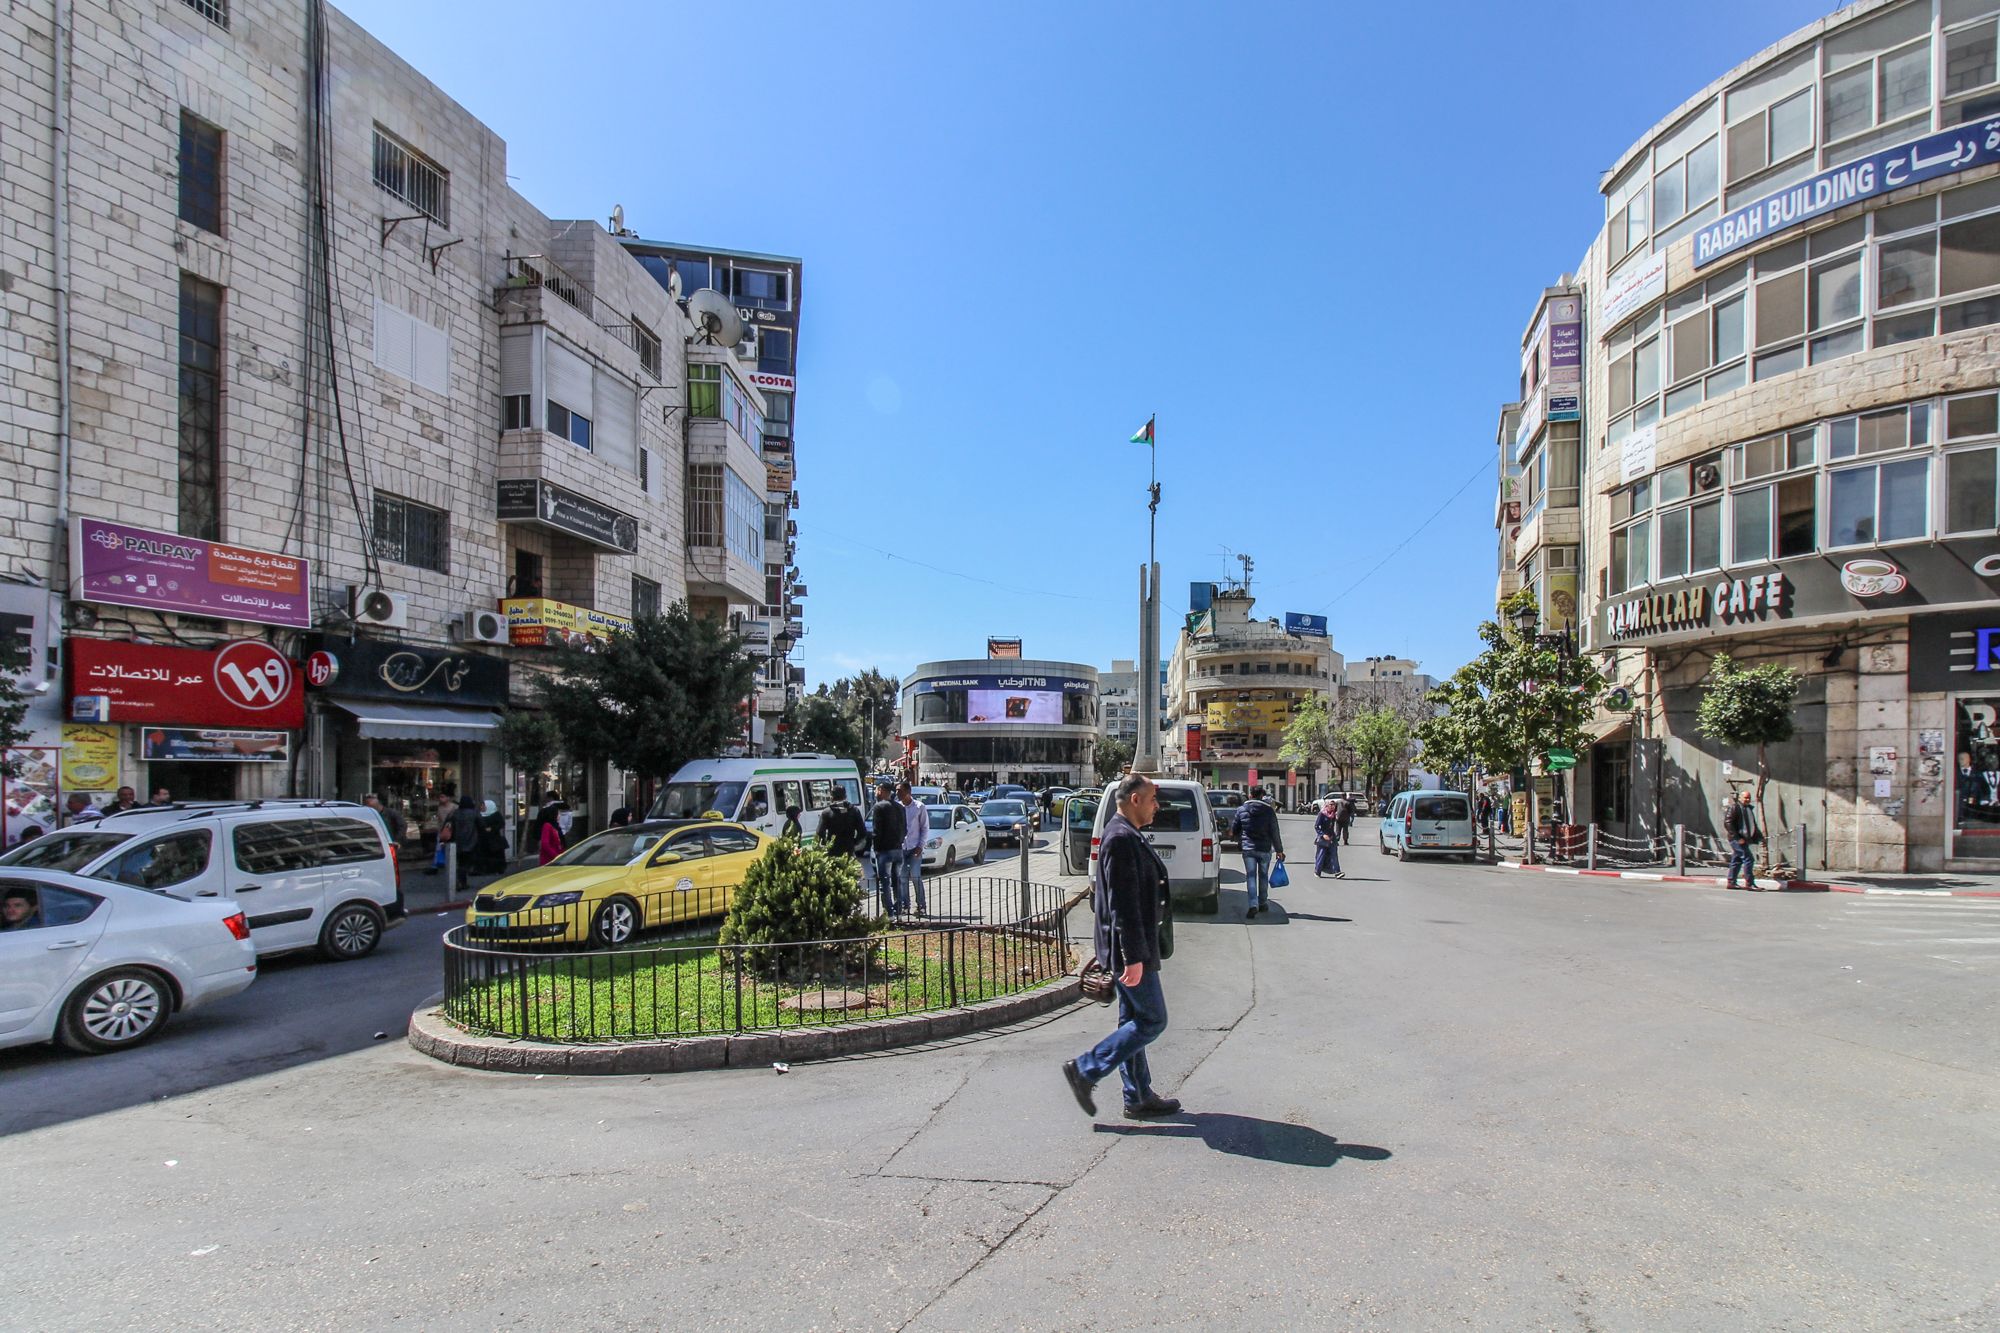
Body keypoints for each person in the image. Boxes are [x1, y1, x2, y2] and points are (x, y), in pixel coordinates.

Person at [1062, 773, 1179, 1120]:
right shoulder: (1119, 838)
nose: (1157, 807)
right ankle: (1085, 1069)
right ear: (1135, 801)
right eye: (1153, 800)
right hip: (1132, 951)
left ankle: (1137, 1095)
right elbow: (1121, 905)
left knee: (1134, 1018)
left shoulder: (1128, 835)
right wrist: (1131, 958)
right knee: (1153, 1020)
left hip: (1135, 947)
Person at [1230, 785, 1285, 918]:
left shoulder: (1241, 809)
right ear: (1262, 796)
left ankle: (1253, 904)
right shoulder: (1269, 811)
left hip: (1248, 848)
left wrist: (1236, 838)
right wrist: (1279, 850)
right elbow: (1274, 831)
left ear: (1250, 795)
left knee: (1251, 876)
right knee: (1263, 876)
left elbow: (1235, 828)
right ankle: (1263, 902)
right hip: (1265, 849)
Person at [870, 782, 907, 917]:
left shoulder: (879, 807)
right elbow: (904, 829)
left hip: (884, 850)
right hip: (898, 849)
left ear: (881, 790)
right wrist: (899, 841)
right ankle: (899, 911)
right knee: (896, 880)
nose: (875, 792)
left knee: (884, 882)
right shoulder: (899, 807)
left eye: (877, 790)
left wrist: (877, 848)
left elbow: (876, 831)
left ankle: (889, 912)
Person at [897, 780, 928, 918]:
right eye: (897, 790)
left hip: (915, 847)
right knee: (902, 878)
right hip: (901, 847)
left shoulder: (919, 807)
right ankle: (905, 905)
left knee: (915, 876)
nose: (898, 793)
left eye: (900, 791)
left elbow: (924, 827)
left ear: (908, 792)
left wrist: (920, 846)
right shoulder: (897, 807)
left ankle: (921, 905)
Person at [1723, 789, 1762, 890]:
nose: (1747, 799)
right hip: (1737, 839)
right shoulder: (1735, 807)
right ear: (1740, 798)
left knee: (1737, 860)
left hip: (1744, 839)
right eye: (1745, 798)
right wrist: (1737, 838)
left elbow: (1752, 824)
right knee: (1749, 859)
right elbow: (1728, 823)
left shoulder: (1748, 809)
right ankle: (1750, 884)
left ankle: (1731, 882)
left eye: (1749, 798)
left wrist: (1759, 836)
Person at [473, 799, 508, 875]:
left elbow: (501, 823)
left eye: (483, 805)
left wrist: (492, 828)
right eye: (481, 805)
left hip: (494, 839)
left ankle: (497, 869)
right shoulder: (479, 815)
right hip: (483, 839)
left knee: (495, 855)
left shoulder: (496, 814)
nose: (481, 807)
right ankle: (485, 870)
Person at [1314, 797, 1345, 879]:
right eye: (1331, 805)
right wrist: (1322, 835)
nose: (1332, 806)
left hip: (1332, 837)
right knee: (1321, 855)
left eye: (1334, 805)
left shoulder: (1333, 815)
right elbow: (1317, 826)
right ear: (1327, 805)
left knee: (1334, 854)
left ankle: (1337, 872)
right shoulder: (1322, 814)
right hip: (1323, 838)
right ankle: (1317, 871)